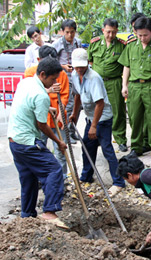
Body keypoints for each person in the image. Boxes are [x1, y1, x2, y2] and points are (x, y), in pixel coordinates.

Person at [7, 57, 68, 229]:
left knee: (28, 178)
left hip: (14, 140)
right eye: (53, 78)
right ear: (42, 74)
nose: (55, 82)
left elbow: (26, 103)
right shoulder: (41, 96)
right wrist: (58, 142)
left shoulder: (26, 83)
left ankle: (27, 216)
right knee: (54, 170)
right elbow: (42, 125)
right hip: (27, 142)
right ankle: (49, 211)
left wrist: (46, 108)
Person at [69, 48, 125, 197]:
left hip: (102, 118)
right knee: (87, 145)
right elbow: (77, 95)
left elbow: (100, 103)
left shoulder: (94, 78)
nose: (79, 69)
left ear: (88, 63)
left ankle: (118, 182)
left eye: (82, 66)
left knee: (106, 148)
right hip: (89, 116)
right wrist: (75, 114)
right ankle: (86, 176)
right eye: (77, 66)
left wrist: (94, 126)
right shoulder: (75, 75)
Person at [118, 17, 151, 163]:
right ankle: (136, 148)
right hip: (134, 86)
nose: (142, 38)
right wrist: (124, 85)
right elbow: (127, 66)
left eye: (145, 35)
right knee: (134, 118)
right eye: (139, 35)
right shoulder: (131, 46)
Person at [24, 45, 70, 180]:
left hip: (58, 118)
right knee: (38, 149)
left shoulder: (59, 73)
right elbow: (30, 95)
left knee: (61, 151)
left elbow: (65, 95)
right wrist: (48, 91)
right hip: (40, 120)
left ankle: (62, 178)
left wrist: (62, 111)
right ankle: (41, 178)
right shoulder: (30, 74)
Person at [87, 19, 128, 153]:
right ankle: (98, 138)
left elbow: (126, 66)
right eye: (108, 32)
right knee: (97, 110)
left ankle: (121, 140)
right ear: (103, 30)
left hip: (114, 81)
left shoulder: (122, 45)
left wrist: (124, 85)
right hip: (97, 82)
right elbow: (90, 62)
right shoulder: (94, 44)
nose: (111, 35)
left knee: (118, 111)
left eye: (114, 32)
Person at [53, 19, 82, 144]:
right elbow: (52, 63)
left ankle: (72, 130)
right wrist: (63, 66)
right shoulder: (57, 44)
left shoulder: (78, 43)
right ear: (62, 32)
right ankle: (66, 133)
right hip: (65, 79)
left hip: (76, 77)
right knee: (68, 106)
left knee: (78, 106)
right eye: (67, 32)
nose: (70, 35)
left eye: (72, 32)